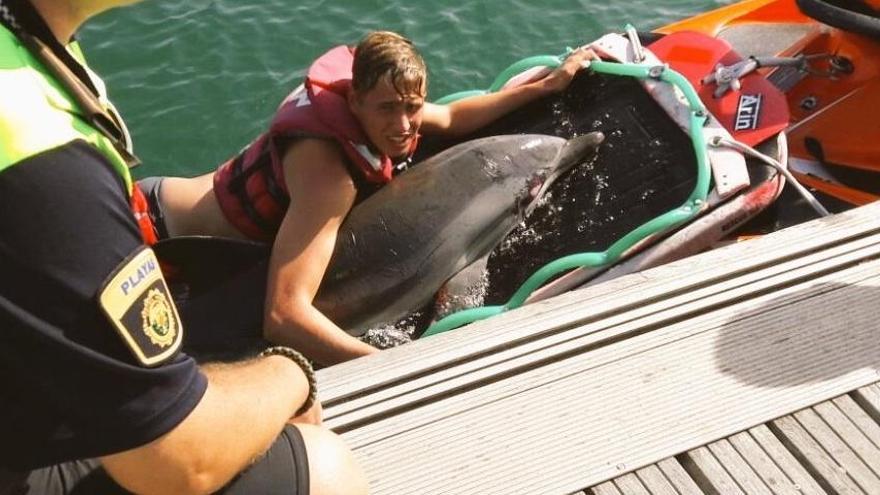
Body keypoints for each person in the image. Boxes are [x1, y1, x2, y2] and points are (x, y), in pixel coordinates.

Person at [0, 0, 368, 494]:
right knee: (322, 465)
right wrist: (293, 372)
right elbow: (176, 462)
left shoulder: (24, 40)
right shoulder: (35, 144)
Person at [144, 30, 598, 366]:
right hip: (155, 235)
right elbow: (283, 316)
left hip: (198, 228)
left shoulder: (382, 109)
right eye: (387, 109)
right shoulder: (328, 181)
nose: (404, 125)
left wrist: (545, 86)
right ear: (355, 100)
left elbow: (454, 117)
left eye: (412, 107)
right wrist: (390, 369)